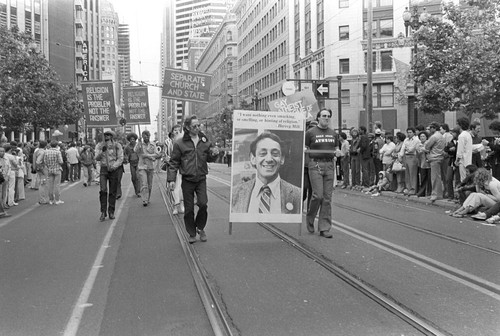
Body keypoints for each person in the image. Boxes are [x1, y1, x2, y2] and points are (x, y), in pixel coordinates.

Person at [167, 115, 219, 243]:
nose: (197, 128)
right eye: (194, 126)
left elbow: (209, 158)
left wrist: (215, 154)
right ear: (187, 128)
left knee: (203, 204)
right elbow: (174, 162)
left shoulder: (204, 140)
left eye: (198, 125)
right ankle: (191, 232)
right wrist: (171, 180)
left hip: (201, 178)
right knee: (189, 209)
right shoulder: (180, 143)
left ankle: (200, 228)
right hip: (187, 179)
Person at [231, 132, 301, 214]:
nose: (269, 159)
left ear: (282, 159)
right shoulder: (235, 193)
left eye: (275, 154)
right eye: (263, 154)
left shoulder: (297, 195)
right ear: (253, 158)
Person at [304, 108, 338, 238]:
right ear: (318, 118)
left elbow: (336, 149)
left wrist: (338, 153)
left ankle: (324, 228)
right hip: (315, 164)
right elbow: (306, 148)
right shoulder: (310, 133)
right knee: (317, 195)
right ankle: (310, 217)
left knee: (327, 198)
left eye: (328, 116)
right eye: (324, 115)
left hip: (329, 165)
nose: (326, 118)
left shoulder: (333, 133)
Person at [95, 130, 124, 221]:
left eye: (108, 135)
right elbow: (96, 158)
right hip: (104, 169)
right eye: (105, 135)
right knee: (103, 190)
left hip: (113, 170)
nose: (106, 136)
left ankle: (111, 211)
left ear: (112, 136)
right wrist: (102, 152)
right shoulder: (99, 145)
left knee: (112, 192)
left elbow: (120, 158)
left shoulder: (117, 145)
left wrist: (114, 166)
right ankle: (103, 212)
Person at [135, 130, 161, 206]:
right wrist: (139, 142)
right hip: (142, 167)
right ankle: (144, 200)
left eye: (147, 136)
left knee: (150, 185)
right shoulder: (139, 144)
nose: (146, 137)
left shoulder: (153, 144)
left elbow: (157, 154)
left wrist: (147, 156)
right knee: (144, 183)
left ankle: (148, 198)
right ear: (142, 137)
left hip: (150, 167)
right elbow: (135, 150)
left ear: (149, 136)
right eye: (144, 136)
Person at [424, 122, 446, 201]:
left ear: (433, 128)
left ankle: (435, 194)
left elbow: (427, 146)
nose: (429, 130)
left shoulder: (434, 137)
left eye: (430, 128)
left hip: (434, 157)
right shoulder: (441, 136)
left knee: (434, 177)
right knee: (438, 177)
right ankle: (438, 193)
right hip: (440, 157)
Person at [42, 140, 64, 205]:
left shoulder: (46, 152)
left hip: (49, 169)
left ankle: (51, 199)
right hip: (57, 169)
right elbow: (61, 161)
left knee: (50, 185)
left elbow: (45, 161)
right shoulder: (58, 152)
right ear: (57, 145)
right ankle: (57, 200)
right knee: (57, 185)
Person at [398, 127, 420, 195]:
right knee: (407, 173)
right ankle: (408, 188)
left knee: (412, 173)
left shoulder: (416, 140)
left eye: (410, 132)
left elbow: (412, 149)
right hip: (406, 157)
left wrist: (408, 149)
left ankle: (413, 189)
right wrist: (400, 156)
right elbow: (403, 148)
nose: (409, 134)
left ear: (414, 133)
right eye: (408, 132)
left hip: (413, 156)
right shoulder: (406, 140)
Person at [455, 117, 473, 182]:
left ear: (460, 125)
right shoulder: (468, 135)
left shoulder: (461, 136)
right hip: (468, 160)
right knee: (467, 179)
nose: (456, 125)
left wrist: (456, 161)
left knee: (463, 180)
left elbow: (460, 151)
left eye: (457, 124)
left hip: (463, 161)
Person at [124, 133, 141, 197]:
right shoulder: (127, 147)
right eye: (131, 139)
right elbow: (124, 154)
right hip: (131, 164)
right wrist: (126, 159)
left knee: (138, 177)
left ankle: (139, 191)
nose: (132, 140)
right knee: (133, 177)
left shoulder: (138, 145)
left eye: (133, 139)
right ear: (129, 140)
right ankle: (136, 190)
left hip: (138, 163)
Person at [416, 131, 431, 197]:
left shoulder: (428, 143)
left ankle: (429, 192)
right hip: (422, 163)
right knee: (423, 178)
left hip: (429, 163)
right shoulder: (418, 144)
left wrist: (424, 150)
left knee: (429, 179)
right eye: (421, 136)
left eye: (423, 136)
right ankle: (422, 192)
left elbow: (429, 150)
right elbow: (417, 154)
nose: (422, 138)